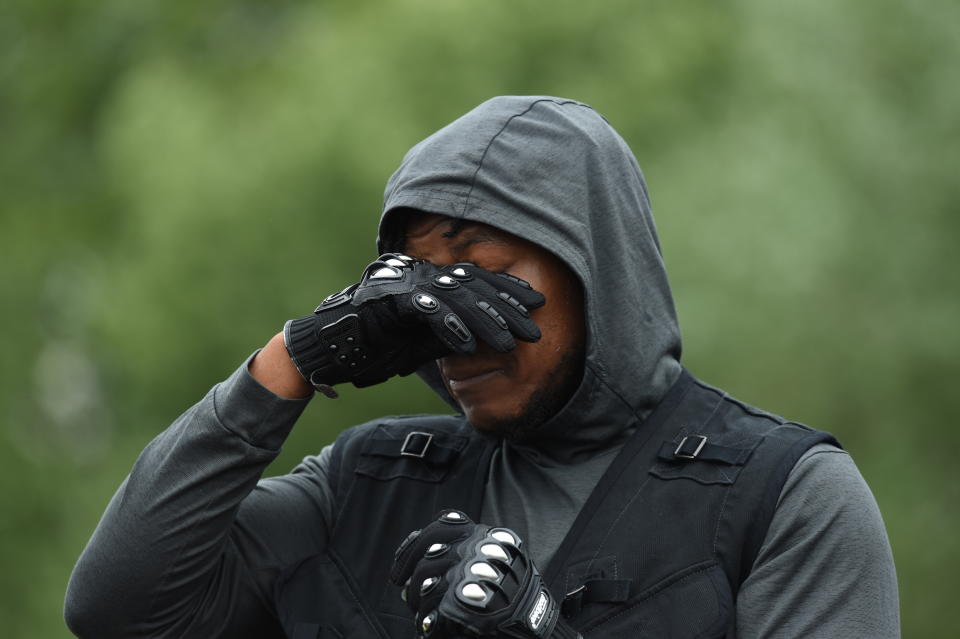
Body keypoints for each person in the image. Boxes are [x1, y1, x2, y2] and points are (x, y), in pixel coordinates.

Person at [65, 96, 900, 638]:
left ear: (594, 270)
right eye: (421, 286)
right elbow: (118, 607)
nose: (456, 324)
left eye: (485, 275)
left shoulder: (784, 497)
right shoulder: (365, 483)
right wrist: (293, 357)